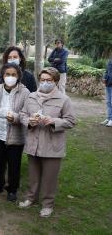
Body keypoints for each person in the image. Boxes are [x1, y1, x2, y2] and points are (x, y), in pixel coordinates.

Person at [19, 67, 76, 217]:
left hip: (52, 145)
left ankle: (47, 204)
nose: (45, 83)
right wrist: (29, 121)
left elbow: (70, 121)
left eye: (49, 80)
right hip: (34, 144)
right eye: (42, 80)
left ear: (56, 81)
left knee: (49, 177)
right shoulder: (31, 97)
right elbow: (23, 114)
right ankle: (31, 198)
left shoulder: (64, 99)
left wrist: (53, 121)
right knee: (33, 175)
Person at [0, 63, 30, 202]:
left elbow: (26, 114)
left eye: (13, 75)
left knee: (14, 164)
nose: (10, 77)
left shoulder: (25, 92)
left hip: (15, 136)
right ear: (2, 75)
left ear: (18, 76)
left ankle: (12, 189)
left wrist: (16, 118)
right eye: (7, 74)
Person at [102, 58, 112, 127]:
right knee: (108, 102)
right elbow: (106, 71)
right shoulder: (110, 61)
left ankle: (111, 119)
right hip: (108, 84)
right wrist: (104, 78)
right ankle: (108, 118)